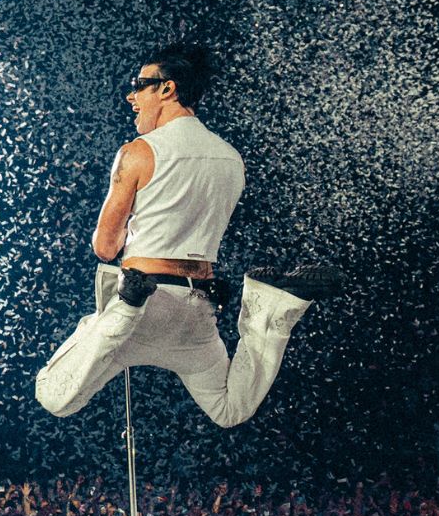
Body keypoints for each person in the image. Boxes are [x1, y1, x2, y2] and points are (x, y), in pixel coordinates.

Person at [35, 43, 333, 427]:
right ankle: (271, 310)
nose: (131, 96)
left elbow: (105, 248)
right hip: (195, 310)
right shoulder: (231, 158)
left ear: (167, 89)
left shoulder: (139, 151)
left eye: (139, 85)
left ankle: (125, 307)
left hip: (144, 305)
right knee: (230, 410)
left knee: (53, 396)